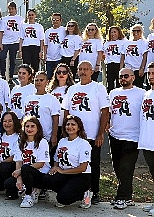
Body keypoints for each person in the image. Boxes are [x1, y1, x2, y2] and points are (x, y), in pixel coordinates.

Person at [62, 61, 110, 205]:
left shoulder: (98, 87)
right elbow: (66, 110)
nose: (83, 72)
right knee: (73, 164)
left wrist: (100, 133)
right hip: (74, 136)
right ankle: (76, 192)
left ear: (91, 71)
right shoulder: (72, 89)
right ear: (77, 71)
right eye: (80, 69)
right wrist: (66, 131)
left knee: (93, 164)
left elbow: (105, 111)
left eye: (86, 69)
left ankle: (94, 193)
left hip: (92, 135)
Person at [107, 67, 145, 209]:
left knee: (126, 168)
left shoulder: (141, 93)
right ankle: (128, 196)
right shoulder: (113, 93)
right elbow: (109, 112)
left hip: (132, 136)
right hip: (115, 134)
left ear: (133, 77)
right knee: (117, 167)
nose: (123, 79)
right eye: (121, 76)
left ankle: (121, 198)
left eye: (126, 76)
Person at [44, 115, 92, 208]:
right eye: (67, 124)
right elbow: (56, 159)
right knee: (46, 179)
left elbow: (83, 168)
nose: (70, 127)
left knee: (63, 199)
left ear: (79, 128)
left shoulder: (83, 143)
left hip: (80, 175)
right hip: (65, 174)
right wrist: (55, 167)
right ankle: (66, 191)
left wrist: (62, 171)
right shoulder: (62, 141)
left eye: (73, 124)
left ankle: (84, 194)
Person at [4, 116, 50, 208]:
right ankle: (33, 190)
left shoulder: (42, 142)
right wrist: (19, 179)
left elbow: (41, 164)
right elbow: (19, 161)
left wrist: (20, 171)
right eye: (27, 126)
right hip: (24, 172)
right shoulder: (20, 142)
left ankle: (28, 196)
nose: (29, 129)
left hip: (40, 174)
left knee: (26, 168)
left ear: (38, 128)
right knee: (9, 183)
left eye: (32, 126)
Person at [23, 70, 60, 149]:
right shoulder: (28, 99)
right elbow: (24, 117)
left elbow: (55, 120)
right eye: (36, 80)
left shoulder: (52, 99)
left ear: (47, 82)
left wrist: (54, 136)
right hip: (29, 135)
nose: (38, 82)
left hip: (45, 135)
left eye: (41, 80)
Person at [139, 63, 154, 215]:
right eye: (149, 73)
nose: (151, 76)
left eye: (153, 73)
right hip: (147, 141)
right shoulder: (146, 94)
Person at [0, 2, 24, 81]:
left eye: (12, 9)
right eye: (9, 9)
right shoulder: (4, 19)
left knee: (12, 60)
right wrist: (0, 43)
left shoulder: (20, 19)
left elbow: (22, 32)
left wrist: (20, 45)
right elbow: (1, 32)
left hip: (15, 42)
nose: (11, 10)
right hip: (5, 41)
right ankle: (2, 74)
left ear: (15, 9)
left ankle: (11, 76)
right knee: (2, 58)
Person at [121, 24, 148, 88]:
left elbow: (145, 56)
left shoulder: (143, 42)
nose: (135, 33)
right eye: (134, 31)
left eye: (138, 31)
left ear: (141, 32)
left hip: (138, 68)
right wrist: (121, 69)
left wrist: (142, 68)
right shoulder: (126, 43)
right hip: (128, 68)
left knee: (138, 86)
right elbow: (123, 56)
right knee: (128, 86)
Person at [19, 9, 45, 74]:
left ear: (35, 16)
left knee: (35, 65)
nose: (31, 16)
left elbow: (41, 40)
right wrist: (20, 50)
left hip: (36, 47)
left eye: (32, 15)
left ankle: (34, 80)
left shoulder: (39, 26)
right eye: (29, 15)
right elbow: (21, 39)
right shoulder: (23, 26)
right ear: (27, 16)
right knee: (26, 66)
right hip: (26, 47)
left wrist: (41, 51)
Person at [44, 13, 66, 79]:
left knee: (58, 76)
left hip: (59, 57)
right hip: (49, 58)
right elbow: (45, 44)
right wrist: (44, 54)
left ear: (60, 20)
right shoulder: (48, 31)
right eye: (53, 20)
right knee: (49, 76)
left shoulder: (64, 30)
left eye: (57, 20)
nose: (55, 21)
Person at [104, 25, 126, 91]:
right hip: (110, 64)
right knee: (110, 83)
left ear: (119, 32)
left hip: (119, 64)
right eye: (111, 32)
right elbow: (104, 54)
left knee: (119, 83)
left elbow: (124, 55)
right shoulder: (107, 43)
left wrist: (121, 67)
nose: (113, 34)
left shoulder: (123, 41)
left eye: (115, 32)